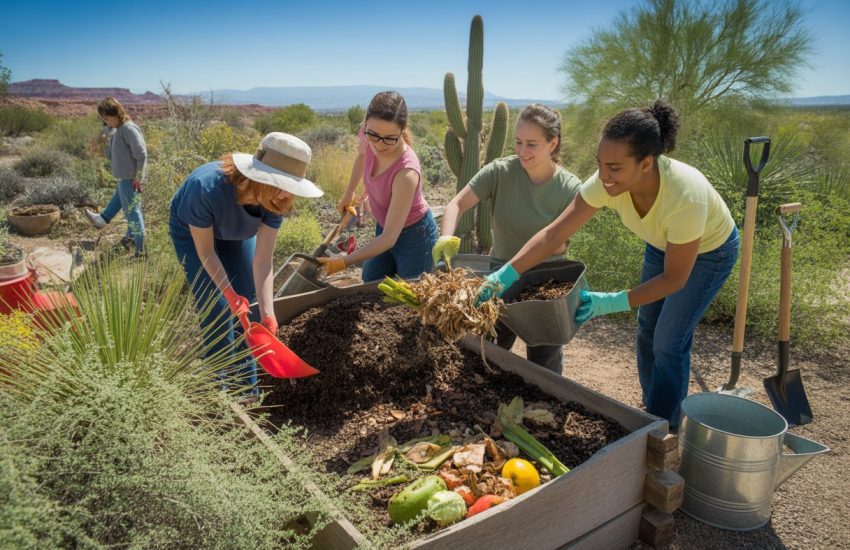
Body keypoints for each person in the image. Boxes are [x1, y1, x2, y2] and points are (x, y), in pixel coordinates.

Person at [477, 100, 739, 429]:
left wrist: (609, 301)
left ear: (646, 164)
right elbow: (553, 234)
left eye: (614, 167)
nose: (604, 175)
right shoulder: (605, 183)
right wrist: (505, 274)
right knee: (647, 327)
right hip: (662, 243)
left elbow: (674, 279)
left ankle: (664, 428)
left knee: (668, 341)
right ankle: (653, 409)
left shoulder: (685, 196)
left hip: (709, 252)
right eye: (600, 163)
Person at [169, 132, 323, 397]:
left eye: (290, 186)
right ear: (260, 177)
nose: (286, 193)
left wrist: (268, 313)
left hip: (236, 234)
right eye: (281, 184)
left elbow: (263, 260)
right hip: (194, 236)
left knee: (250, 310)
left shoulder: (277, 199)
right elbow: (206, 253)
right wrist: (228, 294)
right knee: (217, 311)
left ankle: (247, 391)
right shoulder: (204, 188)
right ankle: (219, 393)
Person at [434, 104, 582, 373]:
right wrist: (445, 237)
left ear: (553, 143)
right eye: (518, 142)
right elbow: (456, 204)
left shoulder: (571, 189)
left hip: (544, 284)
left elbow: (559, 244)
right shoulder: (500, 171)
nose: (523, 151)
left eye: (532, 144)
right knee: (486, 357)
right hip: (499, 278)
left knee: (544, 366)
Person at [319, 91, 438, 281]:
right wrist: (349, 192)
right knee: (371, 280)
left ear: (402, 130)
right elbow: (361, 156)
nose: (379, 145)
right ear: (366, 125)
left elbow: (390, 238)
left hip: (415, 236)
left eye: (390, 138)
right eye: (373, 135)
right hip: (384, 226)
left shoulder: (406, 172)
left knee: (409, 296)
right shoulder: (369, 134)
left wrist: (344, 262)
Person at [84, 97, 147, 256]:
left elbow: (141, 155)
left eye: (107, 118)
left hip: (130, 179)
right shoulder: (118, 129)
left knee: (133, 214)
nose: (105, 121)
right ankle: (103, 220)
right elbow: (113, 155)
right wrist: (106, 138)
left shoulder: (128, 129)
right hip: (124, 178)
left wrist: (139, 177)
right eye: (103, 119)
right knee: (119, 200)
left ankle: (141, 251)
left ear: (116, 113)